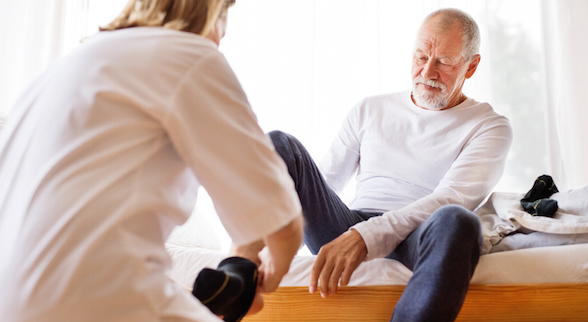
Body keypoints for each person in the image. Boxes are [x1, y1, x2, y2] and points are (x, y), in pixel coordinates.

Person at [0, 0, 303, 321]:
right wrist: (270, 269)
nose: (223, 35)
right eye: (224, 15)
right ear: (209, 11)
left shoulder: (67, 65)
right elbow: (282, 224)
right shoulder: (188, 54)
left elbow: (87, 240)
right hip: (85, 300)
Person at [268, 8, 512, 322]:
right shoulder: (370, 109)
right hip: (349, 224)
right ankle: (246, 258)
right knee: (280, 145)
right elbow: (324, 184)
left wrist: (365, 237)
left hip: (418, 236)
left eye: (445, 62)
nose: (427, 73)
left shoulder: (489, 126)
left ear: (471, 66)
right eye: (421, 57)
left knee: (460, 221)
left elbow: (451, 198)